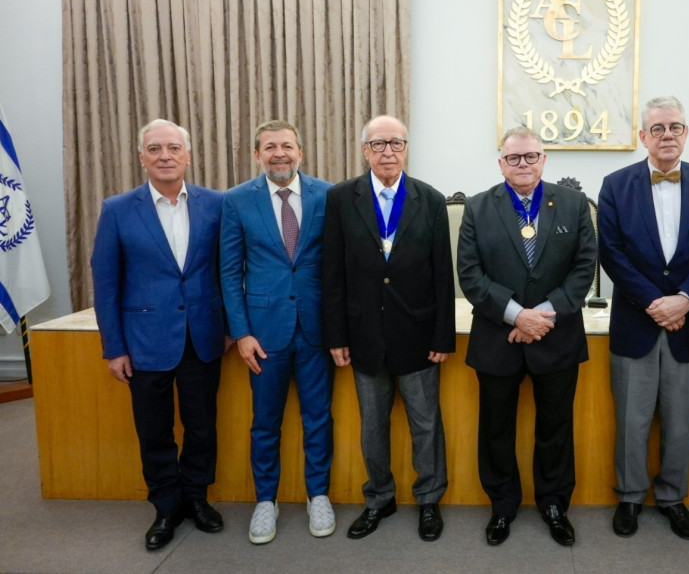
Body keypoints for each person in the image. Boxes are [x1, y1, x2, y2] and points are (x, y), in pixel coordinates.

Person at [597, 96, 689, 539]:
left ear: (686, 133)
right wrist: (657, 302)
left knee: (681, 420)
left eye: (675, 126)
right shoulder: (615, 185)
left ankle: (673, 497)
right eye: (657, 128)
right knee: (632, 420)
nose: (667, 134)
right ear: (643, 137)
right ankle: (631, 496)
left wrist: (687, 299)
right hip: (638, 321)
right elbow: (612, 254)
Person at [457, 126, 597, 547]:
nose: (523, 164)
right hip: (498, 338)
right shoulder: (479, 207)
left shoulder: (573, 204)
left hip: (557, 337)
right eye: (514, 158)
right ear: (501, 163)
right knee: (496, 428)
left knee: (555, 426)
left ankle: (554, 504)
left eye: (531, 156)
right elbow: (469, 274)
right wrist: (517, 316)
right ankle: (502, 506)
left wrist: (543, 315)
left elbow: (585, 266)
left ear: (544, 159)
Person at [91, 119, 225, 550]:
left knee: (202, 426)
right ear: (142, 157)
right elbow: (106, 282)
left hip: (203, 335)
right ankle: (166, 507)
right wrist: (114, 347)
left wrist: (229, 327)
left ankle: (196, 498)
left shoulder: (216, 204)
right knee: (154, 429)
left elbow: (228, 270)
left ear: (187, 155)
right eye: (155, 149)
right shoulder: (117, 209)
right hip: (144, 340)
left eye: (173, 148)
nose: (164, 156)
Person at [321, 115, 455, 542]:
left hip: (417, 336)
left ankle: (429, 500)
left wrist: (442, 336)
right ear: (365, 151)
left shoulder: (431, 200)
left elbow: (441, 276)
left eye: (396, 144)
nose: (387, 153)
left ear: (406, 149)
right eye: (378, 145)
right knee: (372, 426)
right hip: (364, 337)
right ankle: (379, 498)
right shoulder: (343, 198)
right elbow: (333, 273)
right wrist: (337, 335)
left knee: (426, 425)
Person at [220, 120, 335, 544]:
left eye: (287, 146)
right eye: (270, 147)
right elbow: (230, 272)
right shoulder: (236, 201)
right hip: (263, 335)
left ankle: (317, 495)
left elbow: (338, 267)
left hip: (316, 329)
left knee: (318, 419)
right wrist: (241, 332)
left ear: (300, 152)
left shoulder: (328, 195)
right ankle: (265, 502)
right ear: (257, 155)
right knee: (265, 423)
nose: (279, 153)